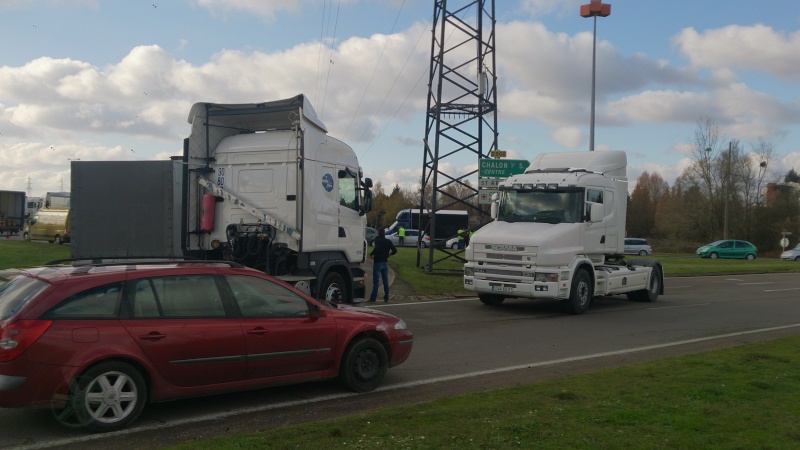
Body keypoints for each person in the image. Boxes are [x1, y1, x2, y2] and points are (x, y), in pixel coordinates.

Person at [369, 228, 397, 303]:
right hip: (385, 262)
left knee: (376, 281)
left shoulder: (377, 240)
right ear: (384, 233)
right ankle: (386, 297)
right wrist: (389, 254)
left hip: (377, 262)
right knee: (385, 280)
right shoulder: (388, 241)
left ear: (378, 233)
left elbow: (376, 249)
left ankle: (373, 298)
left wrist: (371, 254)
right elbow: (394, 250)